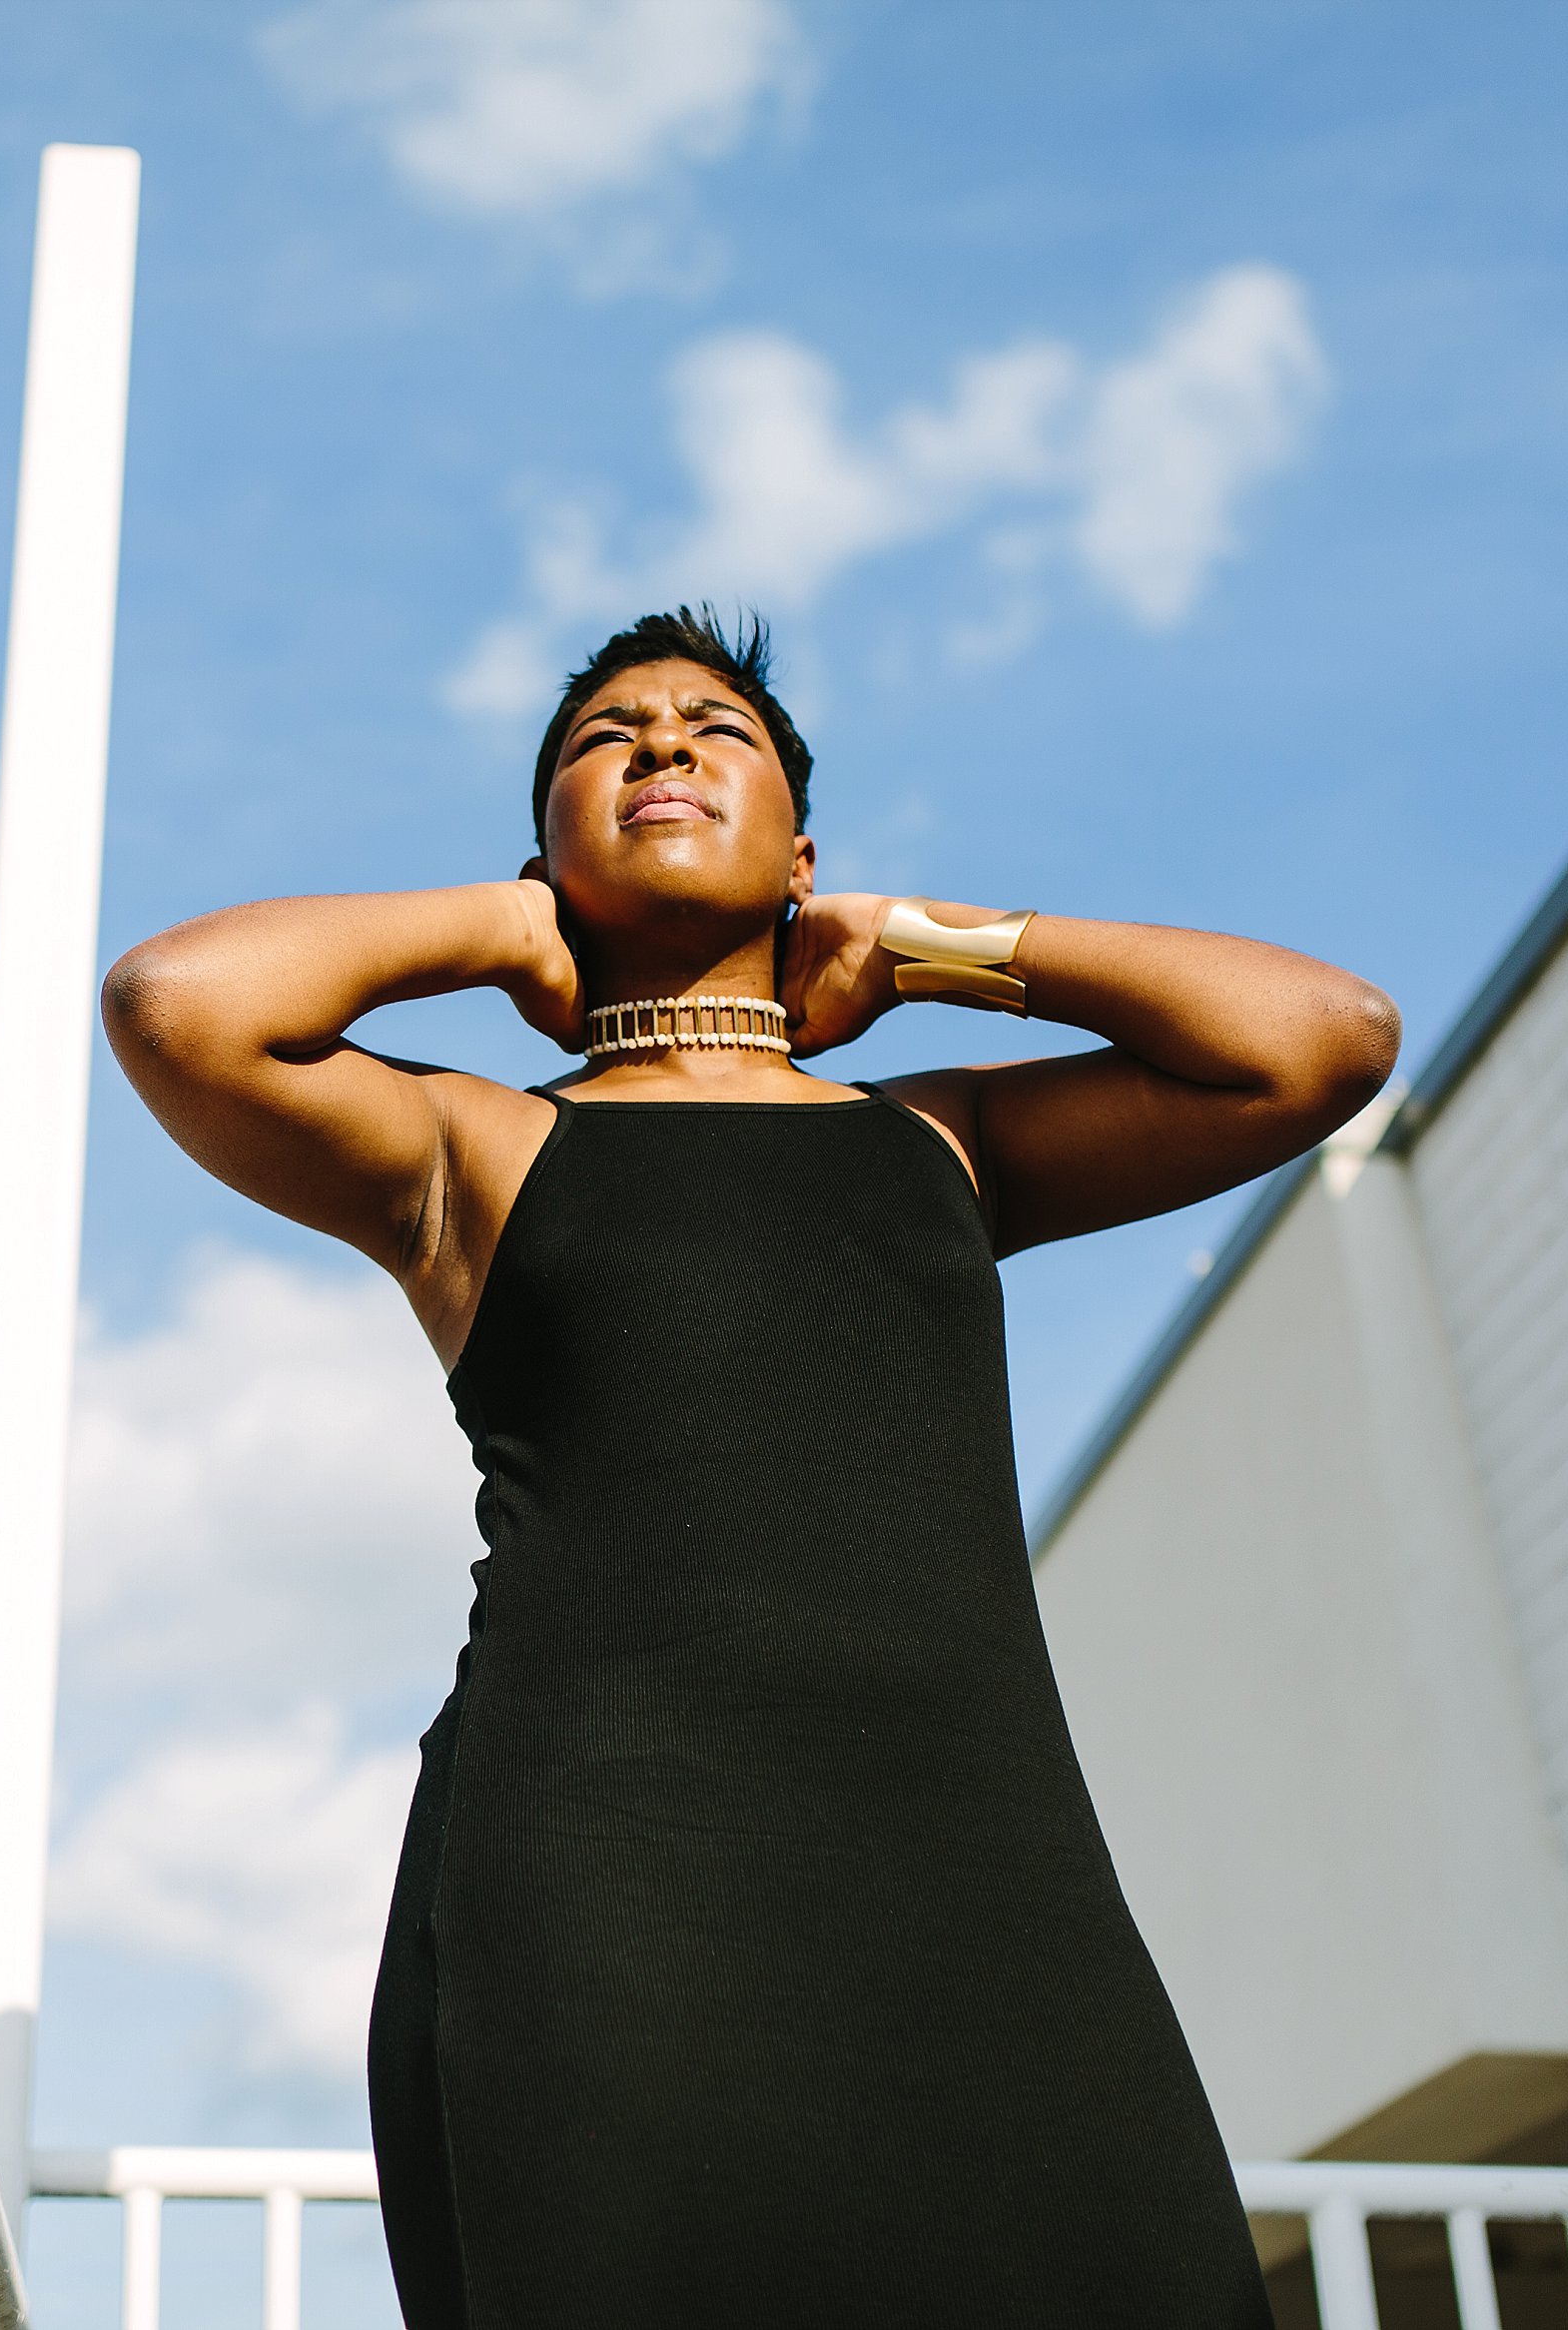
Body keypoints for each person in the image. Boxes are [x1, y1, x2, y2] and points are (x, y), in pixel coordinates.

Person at [100, 607, 1397, 2327]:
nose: (658, 746)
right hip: (601, 1871)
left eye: (717, 728)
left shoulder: (945, 1139)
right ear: (546, 841)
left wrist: (927, 943)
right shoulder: (476, 1145)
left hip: (978, 1862)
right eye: (601, 739)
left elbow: (1324, 1038)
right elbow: (180, 1003)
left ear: (800, 846)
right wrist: (510, 933)